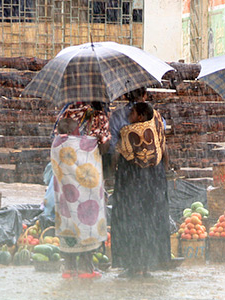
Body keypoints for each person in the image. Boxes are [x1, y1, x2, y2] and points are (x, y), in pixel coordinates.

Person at [110, 97, 171, 278]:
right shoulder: (158, 124)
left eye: (132, 113)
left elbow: (116, 154)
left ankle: (134, 265)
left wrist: (112, 172)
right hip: (154, 179)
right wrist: (164, 173)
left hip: (131, 181)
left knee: (131, 220)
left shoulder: (128, 132)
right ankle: (146, 265)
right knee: (149, 220)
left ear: (140, 115)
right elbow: (164, 150)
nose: (129, 115)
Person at [50, 103, 110, 279]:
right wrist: (95, 141)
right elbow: (104, 148)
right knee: (87, 216)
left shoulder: (66, 113)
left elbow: (57, 143)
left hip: (65, 184)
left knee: (68, 215)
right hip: (87, 182)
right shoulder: (99, 116)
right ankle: (86, 267)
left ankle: (68, 268)